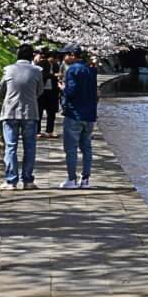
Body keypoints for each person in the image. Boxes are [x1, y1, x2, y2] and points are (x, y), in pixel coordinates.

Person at [0, 44, 44, 190]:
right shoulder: (37, 71)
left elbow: (0, 88)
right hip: (30, 112)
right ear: (31, 56)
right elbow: (39, 90)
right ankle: (28, 180)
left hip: (10, 112)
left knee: (11, 147)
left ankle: (11, 181)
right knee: (30, 147)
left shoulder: (8, 69)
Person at [59, 44, 99, 189]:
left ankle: (71, 179)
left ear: (72, 55)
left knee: (71, 148)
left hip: (74, 114)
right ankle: (85, 179)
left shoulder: (72, 71)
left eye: (65, 55)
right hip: (89, 115)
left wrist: (63, 89)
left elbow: (71, 92)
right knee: (86, 148)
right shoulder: (91, 70)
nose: (63, 58)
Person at [37, 55, 61, 137]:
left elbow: (57, 77)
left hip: (52, 91)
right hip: (41, 91)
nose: (52, 59)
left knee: (51, 112)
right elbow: (42, 75)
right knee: (39, 112)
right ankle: (37, 131)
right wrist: (53, 75)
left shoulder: (55, 65)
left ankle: (49, 131)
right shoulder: (41, 64)